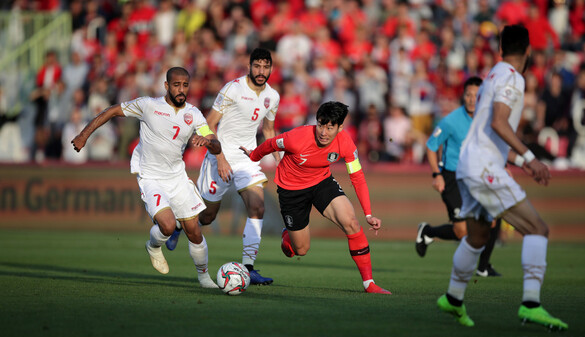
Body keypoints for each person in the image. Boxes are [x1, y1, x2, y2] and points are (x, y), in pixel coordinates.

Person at [436, 25, 568, 330]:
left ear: (499, 47)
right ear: (529, 50)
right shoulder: (512, 77)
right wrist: (531, 158)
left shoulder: (493, 74)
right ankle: (531, 304)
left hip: (469, 167)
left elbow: (486, 129)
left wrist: (518, 159)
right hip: (484, 170)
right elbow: (498, 122)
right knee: (537, 228)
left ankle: (453, 299)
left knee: (478, 237)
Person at [71, 67, 222, 289]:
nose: (181, 90)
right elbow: (112, 111)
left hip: (177, 177)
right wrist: (83, 135)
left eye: (185, 85)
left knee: (194, 230)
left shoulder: (194, 114)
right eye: (176, 85)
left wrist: (208, 141)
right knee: (168, 226)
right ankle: (153, 246)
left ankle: (204, 277)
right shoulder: (149, 105)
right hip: (151, 176)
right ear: (167, 86)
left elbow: (216, 145)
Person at [241, 101, 391, 295]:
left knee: (352, 222)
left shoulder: (345, 142)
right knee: (300, 250)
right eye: (321, 124)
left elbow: (357, 176)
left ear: (340, 128)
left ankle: (369, 283)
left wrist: (369, 214)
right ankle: (288, 235)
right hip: (291, 190)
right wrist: (253, 156)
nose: (323, 132)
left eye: (330, 127)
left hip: (322, 183)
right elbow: (271, 144)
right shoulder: (296, 137)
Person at [165, 48, 280, 286]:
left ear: (271, 68)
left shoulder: (273, 97)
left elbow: (268, 131)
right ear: (249, 66)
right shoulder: (233, 89)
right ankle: (178, 223)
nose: (261, 71)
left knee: (257, 207)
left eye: (265, 67)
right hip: (219, 156)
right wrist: (220, 157)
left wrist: (281, 162)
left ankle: (248, 268)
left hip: (247, 160)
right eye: (257, 66)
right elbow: (209, 124)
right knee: (206, 217)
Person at [416, 77, 502, 277]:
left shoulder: (487, 120)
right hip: (452, 177)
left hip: (476, 176)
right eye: (469, 95)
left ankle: (483, 266)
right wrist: (437, 174)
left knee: (493, 218)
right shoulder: (451, 121)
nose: (472, 99)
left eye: (476, 95)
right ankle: (428, 231)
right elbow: (431, 147)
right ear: (463, 96)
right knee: (461, 231)